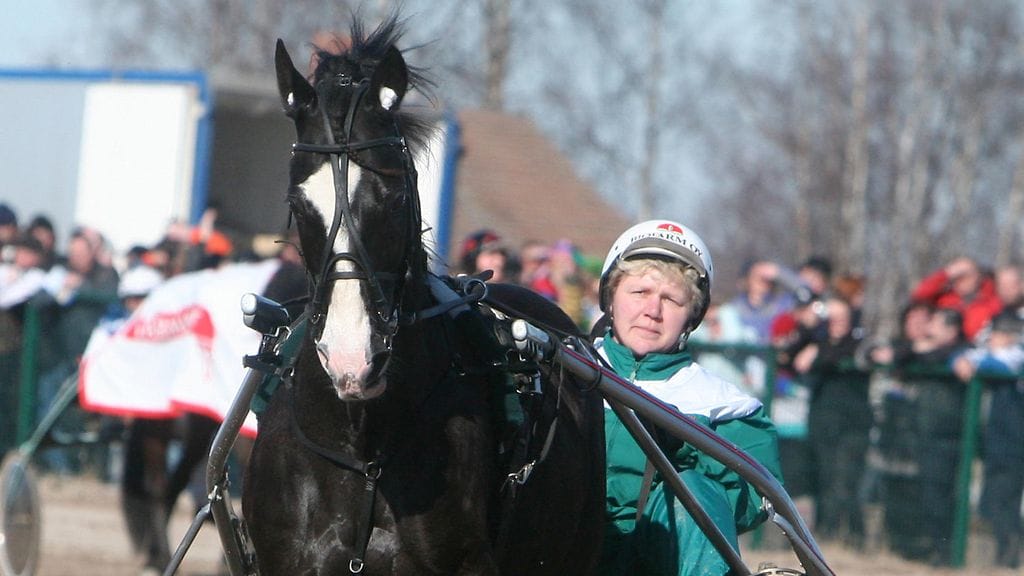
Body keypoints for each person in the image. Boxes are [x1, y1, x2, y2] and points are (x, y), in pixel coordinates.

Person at [593, 219, 783, 576]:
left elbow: (758, 498)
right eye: (640, 292)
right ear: (611, 299)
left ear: (691, 315)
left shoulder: (723, 404)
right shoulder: (565, 373)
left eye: (671, 299)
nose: (653, 311)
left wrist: (686, 453)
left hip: (659, 557)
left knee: (692, 491)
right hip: (566, 545)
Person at [791, 297, 871, 548]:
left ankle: (855, 537)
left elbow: (846, 355)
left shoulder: (857, 344)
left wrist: (817, 351)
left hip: (853, 424)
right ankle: (826, 533)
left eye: (841, 319)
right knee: (823, 478)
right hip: (822, 421)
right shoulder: (816, 341)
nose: (836, 325)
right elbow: (790, 357)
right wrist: (810, 329)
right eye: (832, 320)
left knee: (847, 480)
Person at [952, 311, 1024, 568]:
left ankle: (1009, 557)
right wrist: (962, 361)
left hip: (1015, 444)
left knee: (1006, 501)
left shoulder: (1017, 355)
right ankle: (996, 558)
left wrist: (974, 363)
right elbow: (959, 358)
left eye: (997, 334)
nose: (991, 339)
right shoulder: (989, 354)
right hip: (995, 441)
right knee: (992, 500)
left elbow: (1002, 366)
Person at [910, 256, 1002, 342]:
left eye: (967, 275)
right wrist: (946, 273)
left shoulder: (991, 300)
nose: (962, 281)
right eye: (958, 277)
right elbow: (919, 296)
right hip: (944, 349)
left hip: (976, 348)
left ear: (979, 276)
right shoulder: (945, 300)